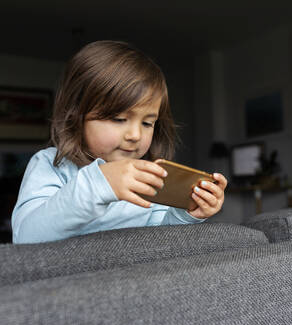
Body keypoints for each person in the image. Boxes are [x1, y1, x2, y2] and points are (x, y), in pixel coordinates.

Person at [11, 40, 227, 244]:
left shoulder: (149, 176)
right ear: (76, 116)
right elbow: (25, 238)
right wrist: (98, 185)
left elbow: (160, 238)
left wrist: (186, 214)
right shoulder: (51, 164)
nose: (135, 135)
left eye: (147, 123)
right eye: (118, 119)